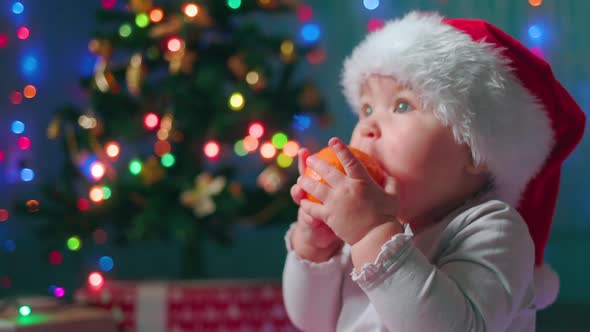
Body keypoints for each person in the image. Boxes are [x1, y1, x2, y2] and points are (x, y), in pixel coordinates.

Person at [282, 11, 585, 332]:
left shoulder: (494, 230)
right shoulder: (365, 221)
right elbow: (313, 321)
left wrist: (372, 235)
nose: (367, 125)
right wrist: (316, 249)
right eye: (367, 108)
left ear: (475, 149)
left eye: (401, 106)